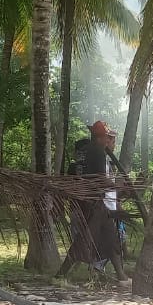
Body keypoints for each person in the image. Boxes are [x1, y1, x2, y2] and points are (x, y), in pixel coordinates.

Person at [55, 121, 129, 285]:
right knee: (84, 241)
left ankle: (121, 275)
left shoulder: (84, 151)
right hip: (94, 204)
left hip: (91, 203)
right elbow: (100, 180)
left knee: (111, 238)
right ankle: (60, 275)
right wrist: (116, 186)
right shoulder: (98, 152)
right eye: (107, 137)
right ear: (101, 137)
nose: (108, 141)